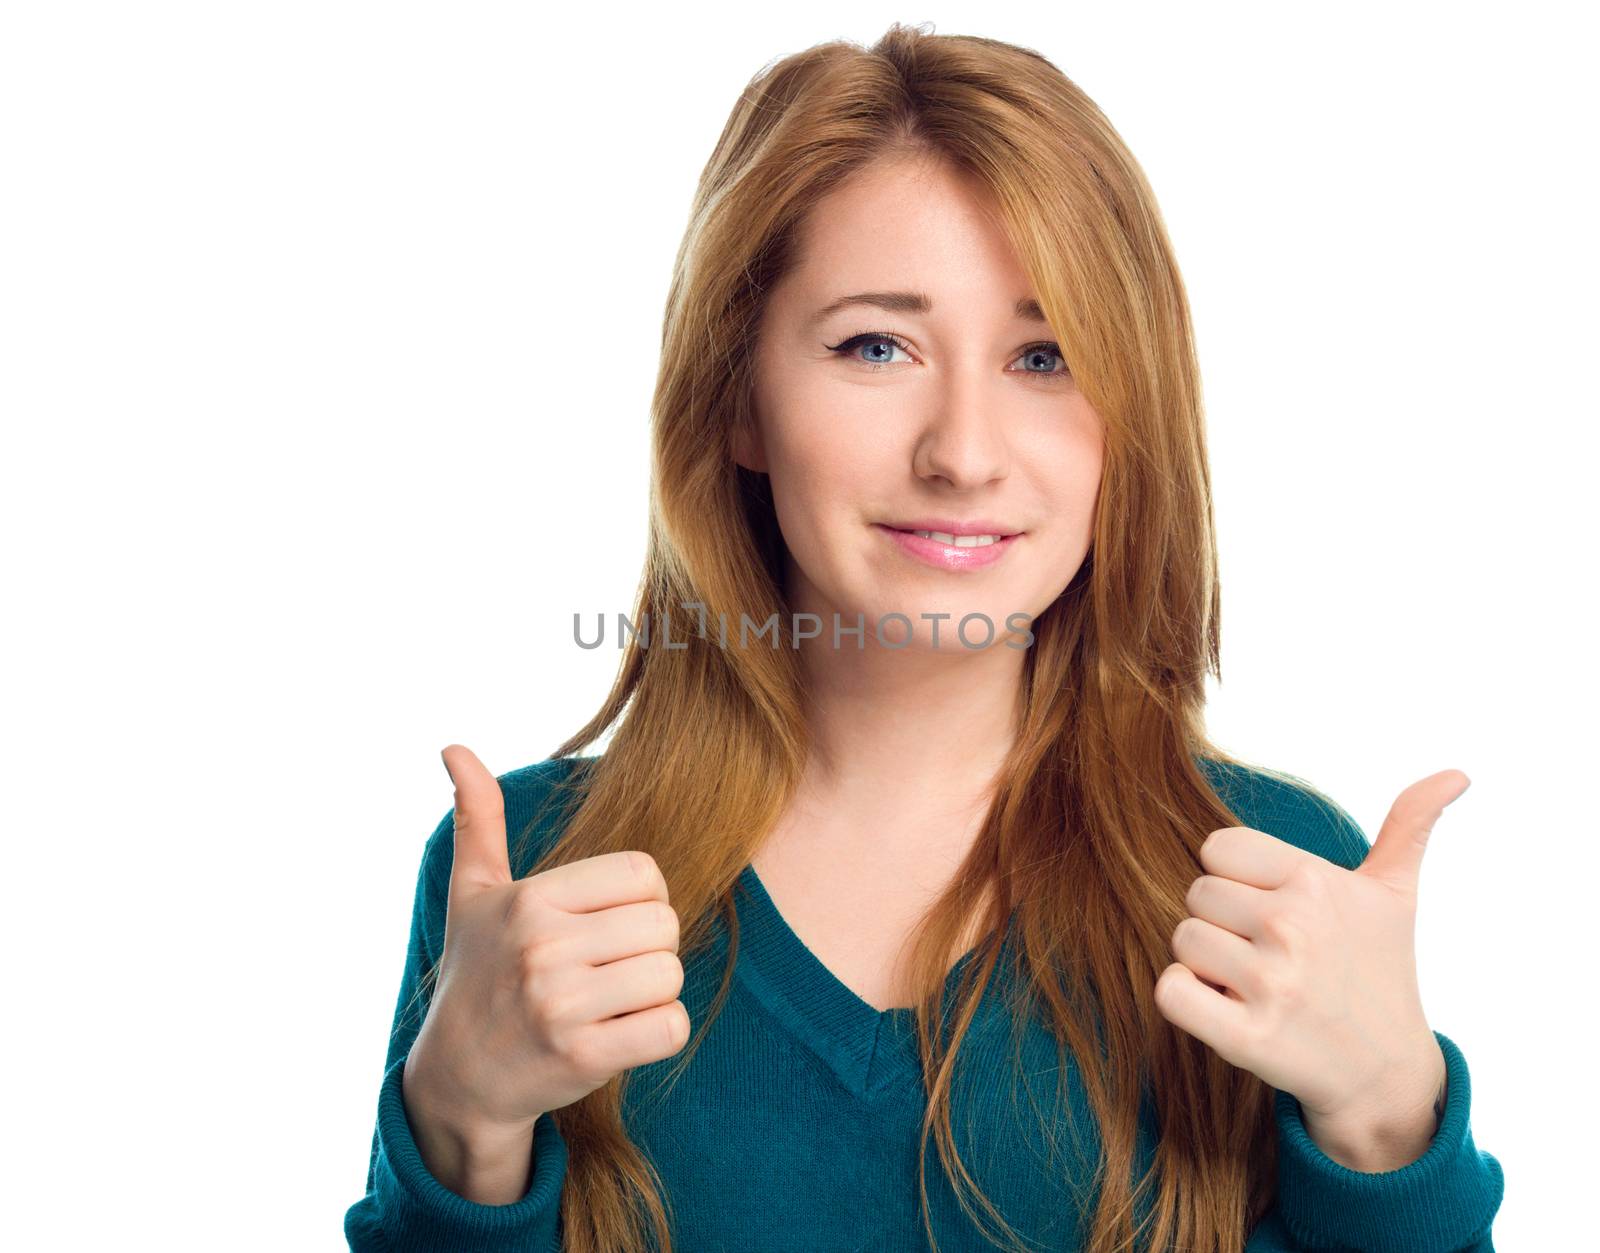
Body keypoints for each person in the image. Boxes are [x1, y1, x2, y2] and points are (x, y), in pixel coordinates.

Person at [345, 23, 1503, 1253]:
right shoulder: (529, 883)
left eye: (1045, 356)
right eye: (874, 346)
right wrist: (462, 1126)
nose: (961, 450)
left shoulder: (1274, 888)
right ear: (737, 396)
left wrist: (1388, 1124)